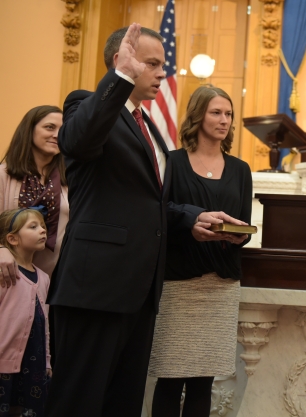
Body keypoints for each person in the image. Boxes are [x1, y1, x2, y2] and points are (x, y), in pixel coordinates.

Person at [45, 24, 245, 417]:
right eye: (151, 64)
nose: (161, 74)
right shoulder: (84, 104)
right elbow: (78, 140)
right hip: (96, 287)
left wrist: (192, 217)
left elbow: (152, 202)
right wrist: (119, 78)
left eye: (162, 65)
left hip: (140, 292)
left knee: (123, 404)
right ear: (122, 60)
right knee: (78, 402)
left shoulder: (150, 126)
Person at [149, 86, 252, 416]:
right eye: (216, 112)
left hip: (220, 286)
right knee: (169, 378)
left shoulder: (240, 169)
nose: (224, 120)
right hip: (179, 284)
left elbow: (245, 223)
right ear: (197, 116)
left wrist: (239, 236)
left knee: (203, 381)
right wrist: (190, 222)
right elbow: (157, 214)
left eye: (229, 114)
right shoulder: (173, 162)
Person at [0, 105, 68, 285]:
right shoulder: (3, 175)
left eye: (63, 130)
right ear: (29, 131)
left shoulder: (69, 182)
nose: (57, 135)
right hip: (7, 279)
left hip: (52, 283)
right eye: (49, 127)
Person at [0, 208, 51, 417]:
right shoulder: (4, 274)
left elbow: (45, 323)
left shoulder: (44, 278)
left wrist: (47, 361)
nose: (43, 231)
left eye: (43, 227)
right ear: (12, 238)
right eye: (33, 227)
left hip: (34, 364)